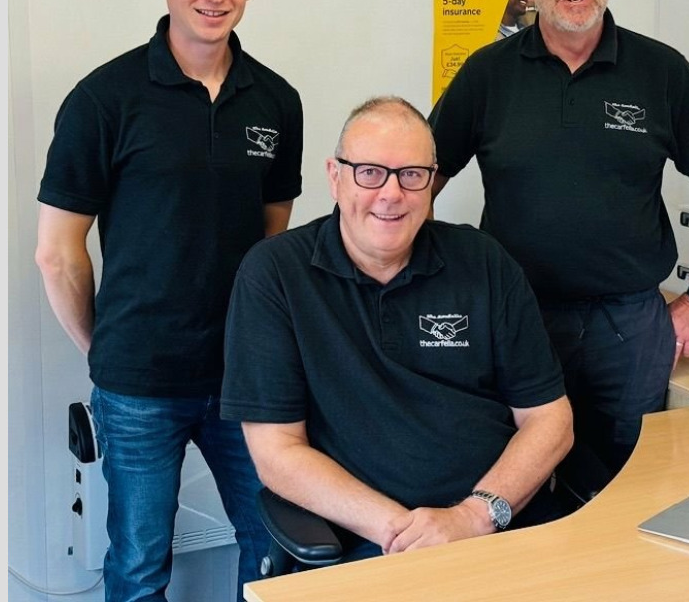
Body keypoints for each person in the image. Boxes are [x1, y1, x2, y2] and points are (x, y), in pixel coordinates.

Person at [35, 0, 303, 602]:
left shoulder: (277, 101)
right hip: (138, 383)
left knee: (275, 549)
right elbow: (57, 253)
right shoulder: (104, 100)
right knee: (138, 564)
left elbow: (271, 243)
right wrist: (108, 351)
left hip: (247, 379)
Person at [428, 0, 689, 481]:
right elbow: (420, 178)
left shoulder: (661, 71)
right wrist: (426, 291)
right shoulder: (487, 74)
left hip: (628, 329)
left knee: (623, 486)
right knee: (511, 481)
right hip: (516, 317)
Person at [221, 96, 573, 562]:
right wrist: (406, 534)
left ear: (432, 181)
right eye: (370, 172)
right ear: (335, 177)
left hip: (500, 522)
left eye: (411, 174)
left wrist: (473, 517)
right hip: (371, 541)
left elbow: (550, 419)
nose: (391, 194)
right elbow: (277, 453)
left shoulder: (484, 261)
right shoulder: (276, 274)